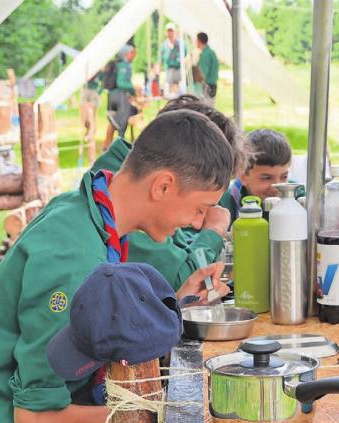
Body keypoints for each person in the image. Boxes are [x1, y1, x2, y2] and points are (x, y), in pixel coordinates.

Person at [0, 110, 233, 423]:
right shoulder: (73, 263)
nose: (199, 224)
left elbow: (103, 318)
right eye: (200, 208)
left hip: (74, 387)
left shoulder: (94, 209)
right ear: (163, 186)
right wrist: (155, 415)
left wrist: (179, 300)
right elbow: (35, 419)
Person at [90, 95, 246, 289]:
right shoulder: (133, 200)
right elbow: (177, 277)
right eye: (201, 208)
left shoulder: (134, 191)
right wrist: (213, 231)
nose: (198, 222)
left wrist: (179, 305)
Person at [219, 129, 304, 225]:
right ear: (242, 176)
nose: (277, 187)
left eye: (284, 176)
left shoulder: (299, 196)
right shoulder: (224, 202)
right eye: (266, 178)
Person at [104, 44, 138, 148]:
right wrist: (133, 89)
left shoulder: (116, 64)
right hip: (119, 97)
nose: (134, 56)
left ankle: (106, 148)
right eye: (132, 53)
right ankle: (120, 149)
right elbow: (121, 83)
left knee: (114, 122)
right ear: (127, 54)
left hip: (111, 97)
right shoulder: (125, 65)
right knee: (122, 124)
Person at [161, 23, 185, 96]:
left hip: (179, 71)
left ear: (175, 32)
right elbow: (161, 60)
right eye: (168, 31)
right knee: (169, 94)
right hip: (169, 72)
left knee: (180, 93)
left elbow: (185, 56)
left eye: (171, 31)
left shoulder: (181, 44)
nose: (170, 33)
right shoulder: (164, 45)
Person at [196, 32, 219, 99]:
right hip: (213, 84)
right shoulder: (211, 52)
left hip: (207, 85)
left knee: (206, 106)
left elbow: (202, 73)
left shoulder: (205, 54)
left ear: (199, 41)